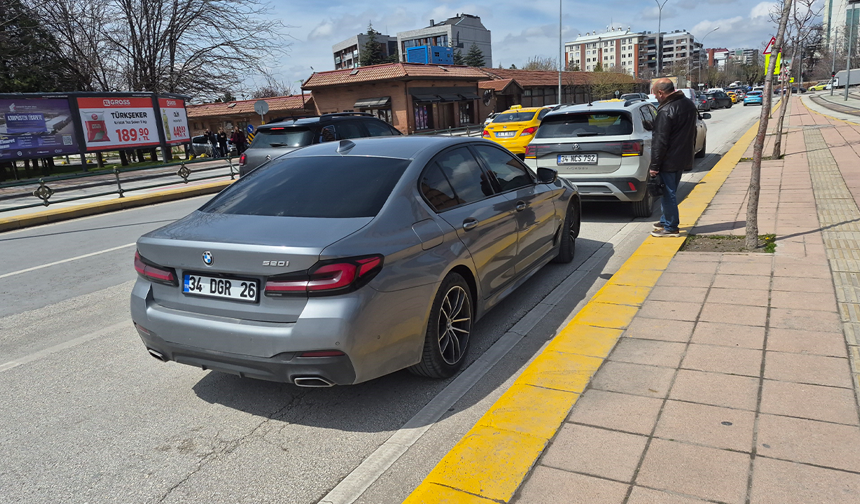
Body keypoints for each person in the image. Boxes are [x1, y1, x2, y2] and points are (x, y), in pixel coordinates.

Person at [649, 78, 698, 238]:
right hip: (682, 156)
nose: (655, 97)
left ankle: (671, 227)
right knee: (670, 191)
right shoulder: (687, 104)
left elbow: (660, 141)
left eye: (656, 94)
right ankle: (665, 220)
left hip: (668, 159)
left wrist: (654, 166)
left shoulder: (665, 111)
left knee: (667, 194)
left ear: (661, 93)